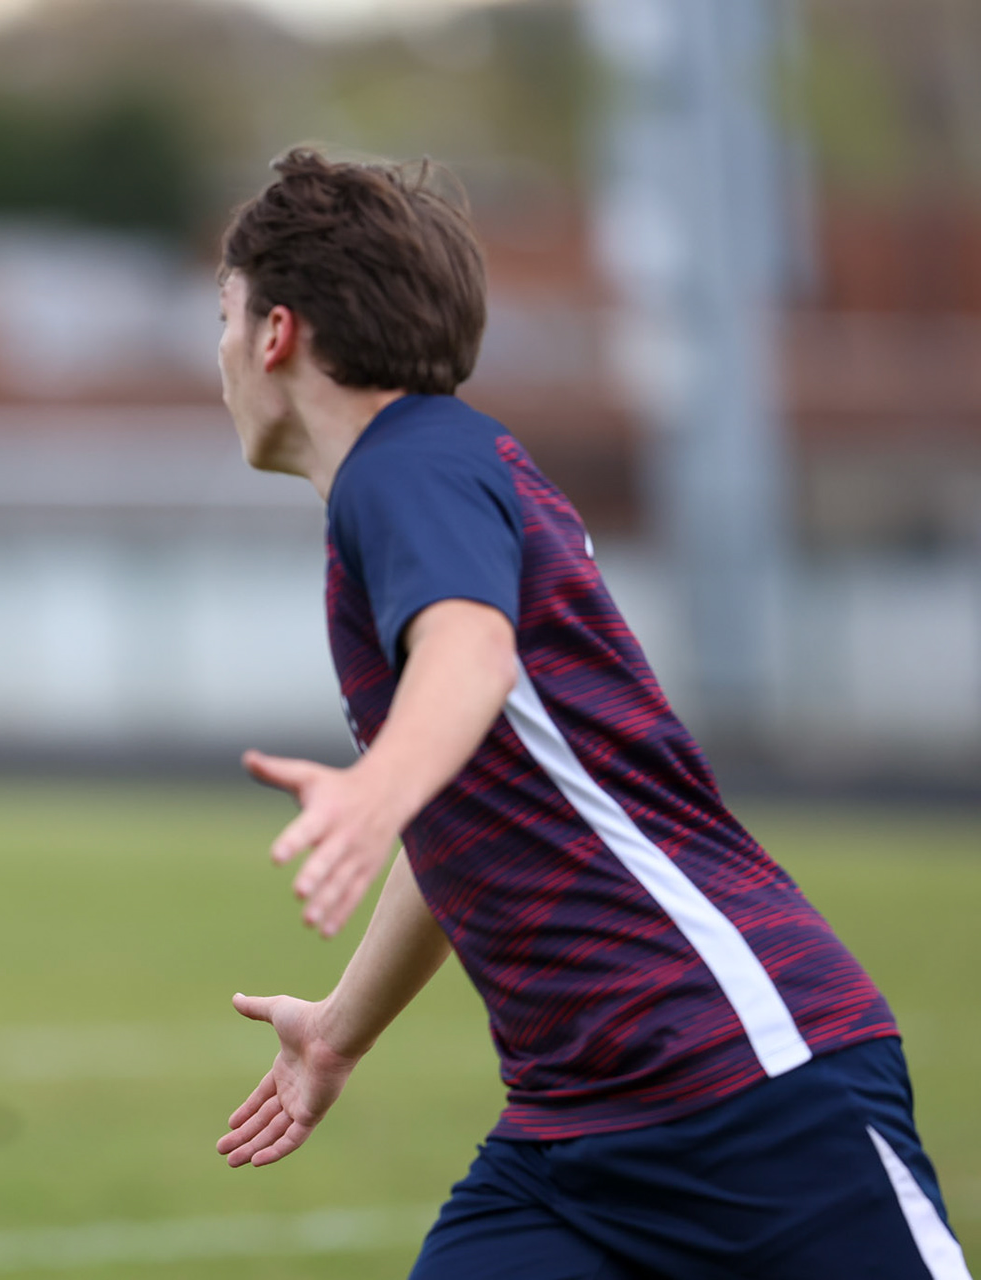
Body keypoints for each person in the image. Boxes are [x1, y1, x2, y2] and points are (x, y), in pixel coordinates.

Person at [209, 149, 969, 1280]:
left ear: (277, 333)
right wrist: (339, 1027)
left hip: (747, 1083)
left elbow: (471, 653)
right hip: (575, 1136)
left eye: (221, 315)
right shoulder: (426, 476)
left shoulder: (402, 469)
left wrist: (376, 783)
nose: (217, 351)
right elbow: (466, 793)